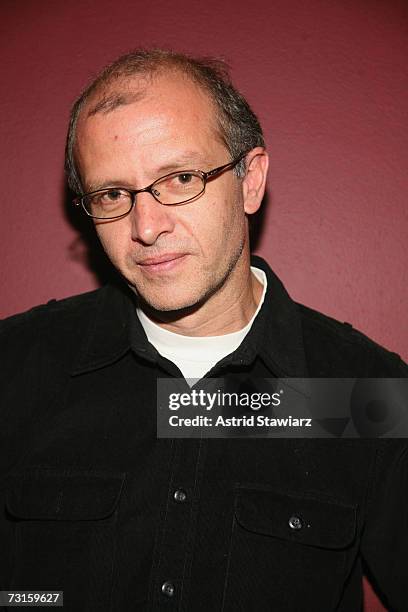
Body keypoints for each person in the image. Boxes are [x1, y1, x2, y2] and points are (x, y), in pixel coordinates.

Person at [0, 49, 407, 612]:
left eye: (181, 178)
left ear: (249, 180)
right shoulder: (16, 366)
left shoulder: (367, 393)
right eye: (113, 194)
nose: (146, 226)